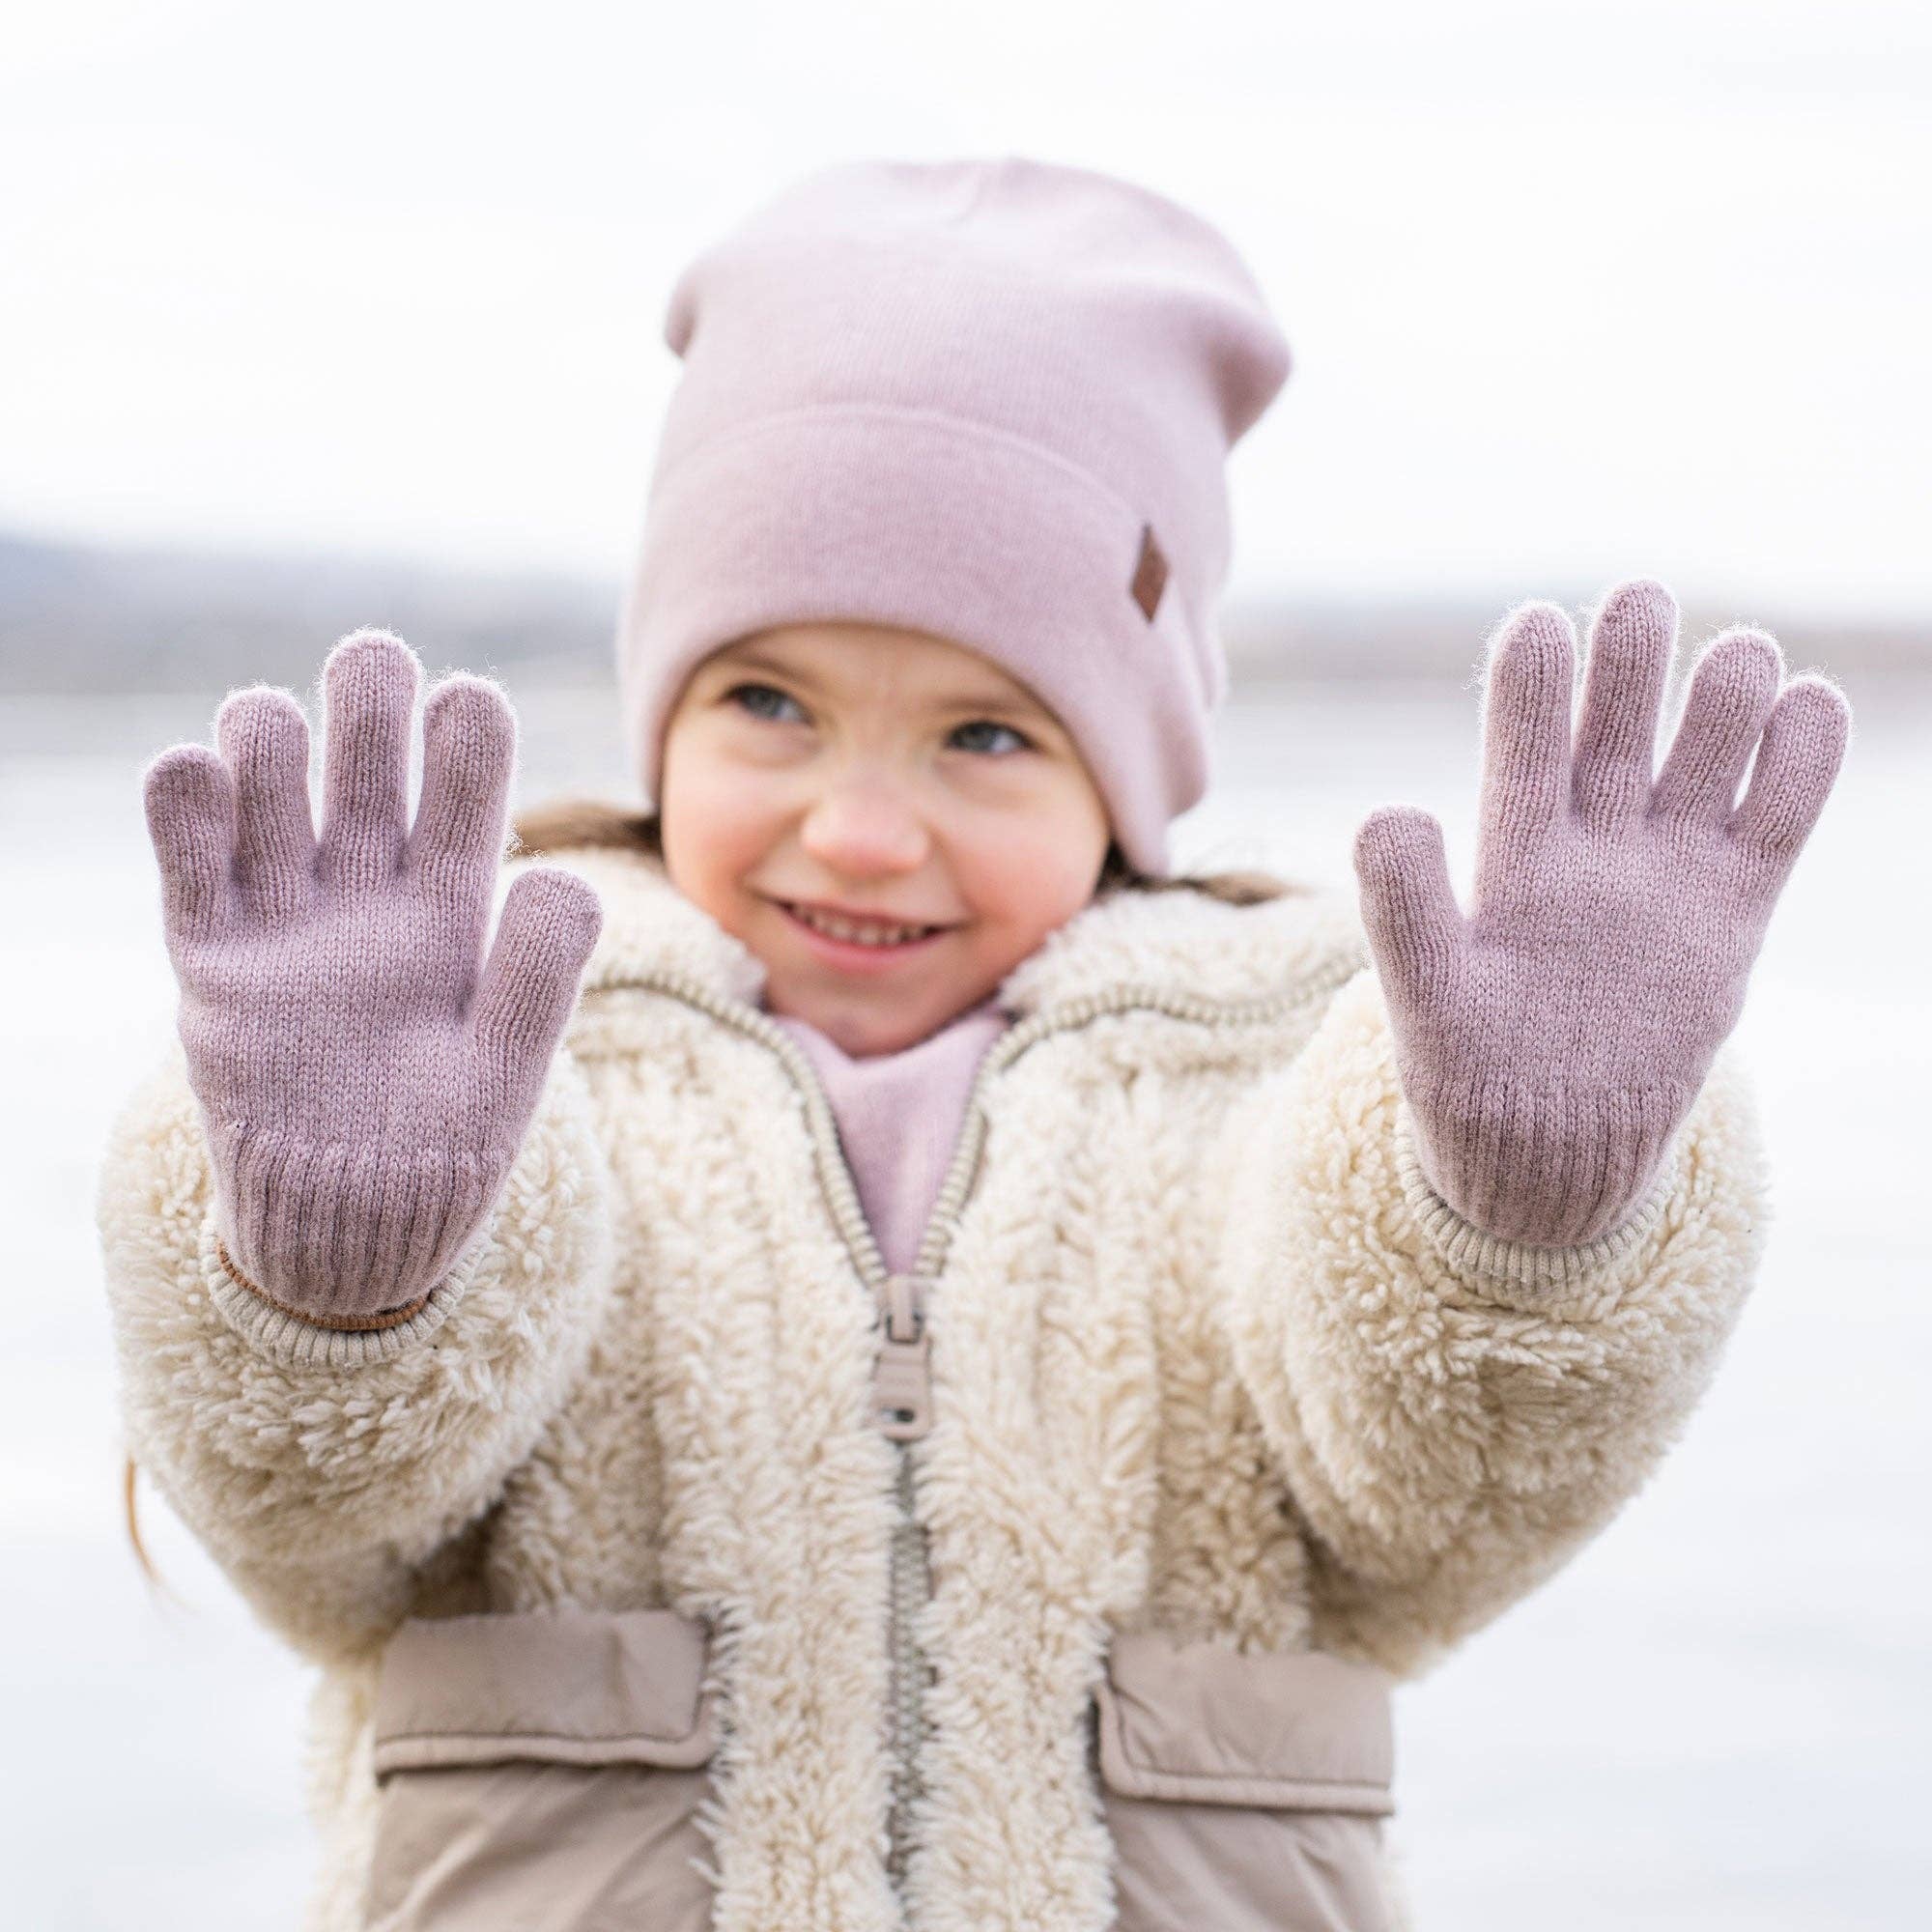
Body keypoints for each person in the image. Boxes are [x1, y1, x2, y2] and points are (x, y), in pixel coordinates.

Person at [97, 156, 1849, 1932]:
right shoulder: (510, 1070)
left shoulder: (1266, 1087)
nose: (860, 830)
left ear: (1129, 771)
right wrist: (339, 1278)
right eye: (767, 702)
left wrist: (1515, 1221)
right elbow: (322, 1549)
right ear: (661, 710)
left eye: (986, 736)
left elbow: (1436, 1509)